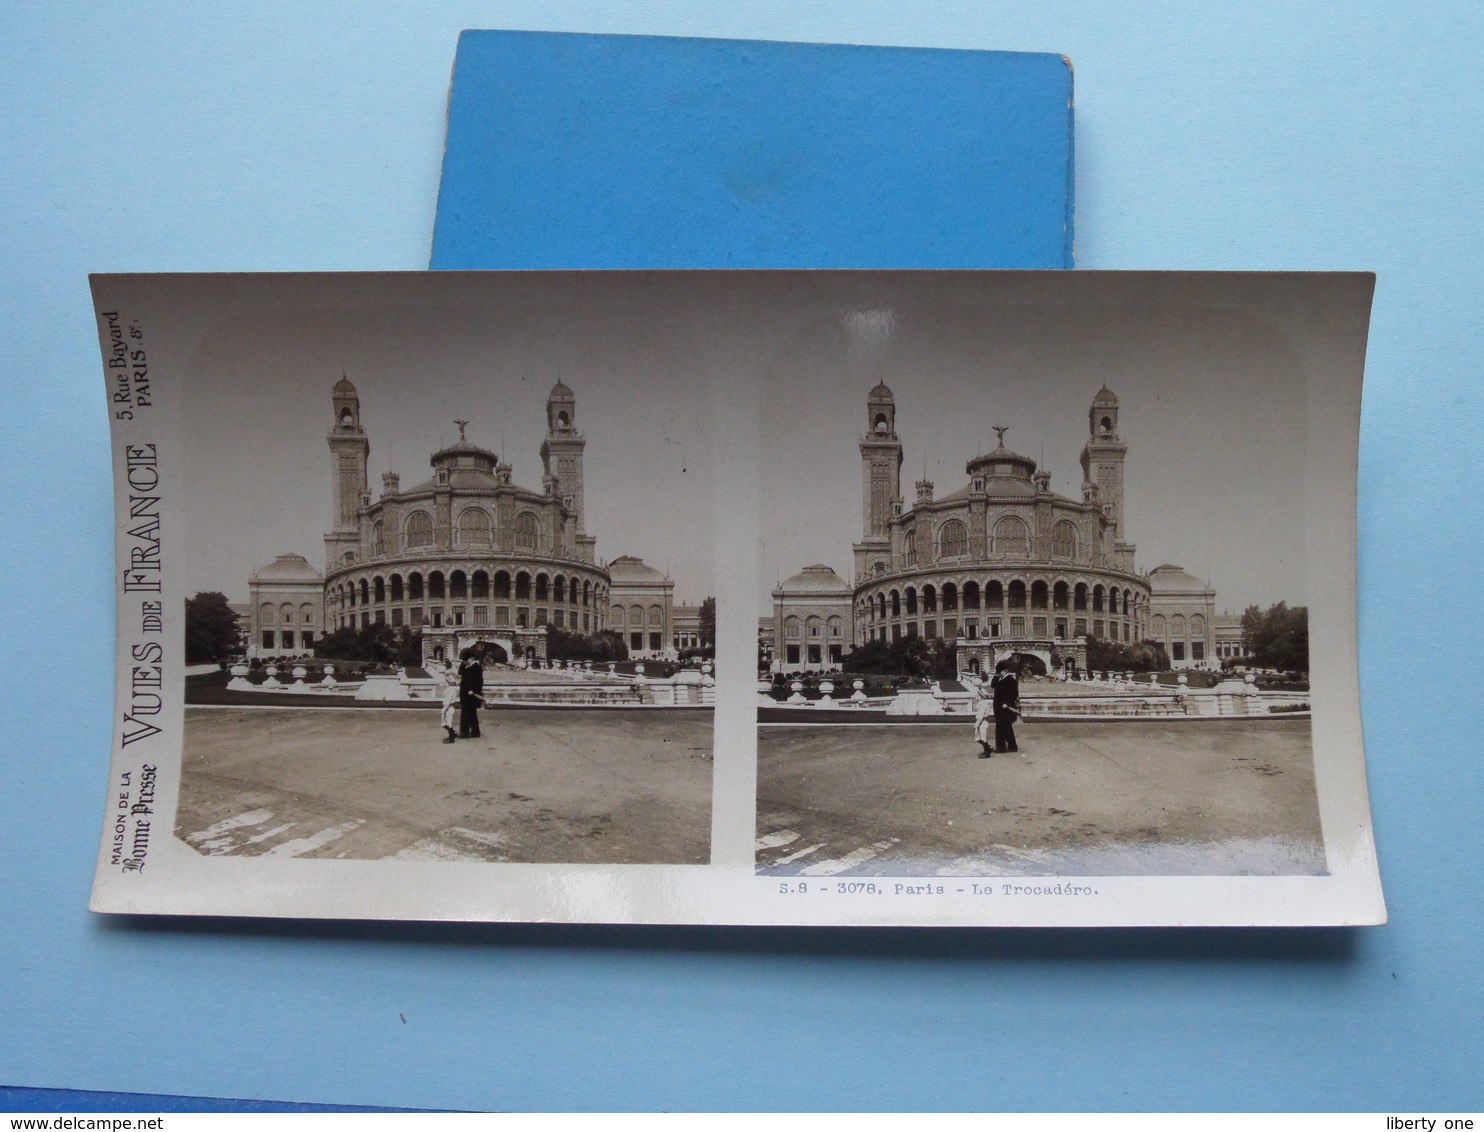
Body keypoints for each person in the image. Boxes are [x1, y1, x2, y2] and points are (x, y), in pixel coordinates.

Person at [991, 658, 1021, 754]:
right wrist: (996, 676)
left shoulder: (1011, 680)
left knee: (1006, 727)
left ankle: (1009, 746)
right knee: (1000, 727)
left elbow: (1014, 693)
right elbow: (993, 685)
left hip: (1006, 708)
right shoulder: (1000, 679)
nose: (999, 674)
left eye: (1000, 672)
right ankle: (1003, 747)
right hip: (999, 708)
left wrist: (1007, 703)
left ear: (1005, 671)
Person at [458, 649, 484, 739]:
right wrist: (463, 664)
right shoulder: (467, 667)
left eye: (466, 659)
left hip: (471, 694)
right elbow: (460, 673)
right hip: (466, 694)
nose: (465, 661)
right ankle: (475, 732)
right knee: (471, 713)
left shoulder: (477, 667)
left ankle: (465, 733)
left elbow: (479, 681)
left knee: (466, 713)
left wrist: (474, 690)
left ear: (472, 658)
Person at [972, 674, 995, 758]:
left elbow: (981, 715)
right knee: (978, 738)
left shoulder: (983, 704)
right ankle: (988, 748)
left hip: (982, 721)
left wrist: (977, 723)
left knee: (982, 737)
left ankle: (987, 752)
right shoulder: (982, 703)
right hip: (982, 721)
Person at [439, 664, 460, 744]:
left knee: (448, 723)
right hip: (448, 707)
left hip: (449, 707)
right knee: (444, 723)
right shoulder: (450, 689)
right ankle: (453, 734)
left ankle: (451, 737)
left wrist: (444, 708)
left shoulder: (451, 690)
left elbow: (448, 701)